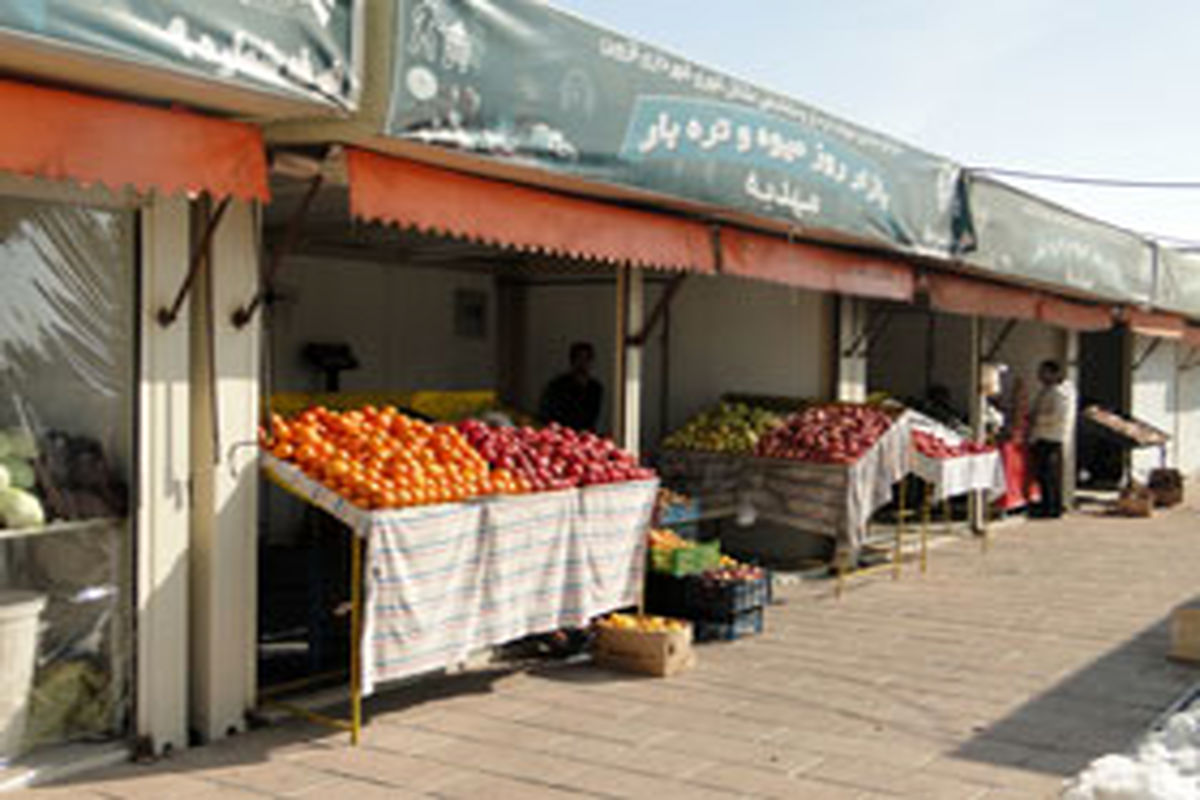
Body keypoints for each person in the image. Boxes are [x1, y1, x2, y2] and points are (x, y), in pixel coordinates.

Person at [1029, 359, 1075, 519]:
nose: (1040, 376)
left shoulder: (1060, 392)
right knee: (1046, 474)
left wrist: (1035, 418)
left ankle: (1051, 507)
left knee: (1048, 474)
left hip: (1050, 436)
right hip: (1046, 435)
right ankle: (1048, 504)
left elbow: (1056, 416)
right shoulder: (1051, 390)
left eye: (1043, 372)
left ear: (1053, 373)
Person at [540, 341, 603, 431]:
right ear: (572, 361)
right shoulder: (557, 386)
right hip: (560, 433)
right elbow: (550, 413)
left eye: (586, 359)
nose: (582, 363)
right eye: (579, 358)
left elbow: (592, 416)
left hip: (584, 435)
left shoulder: (595, 388)